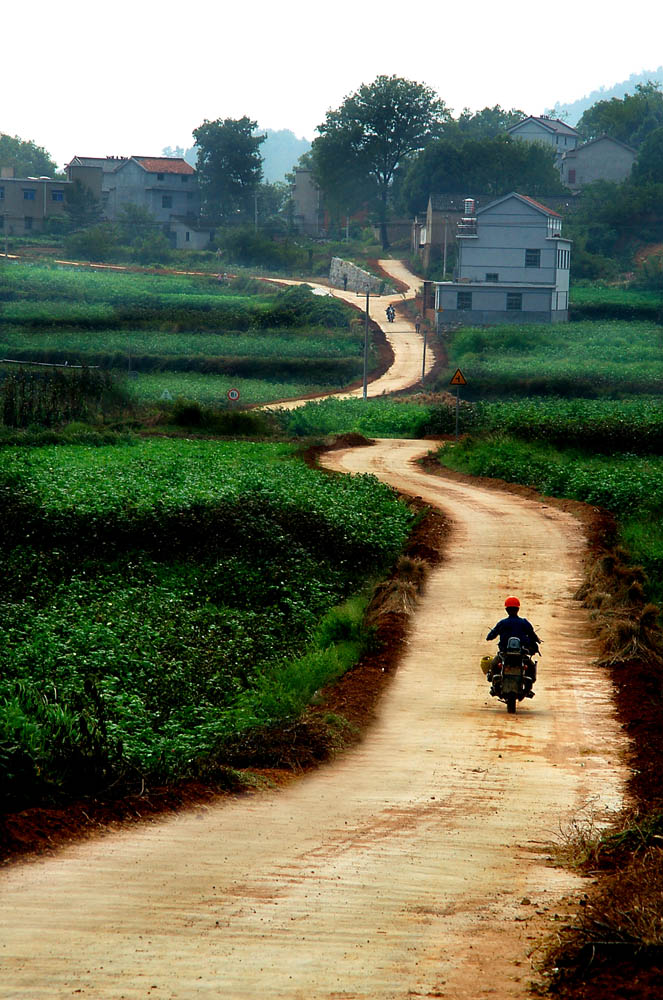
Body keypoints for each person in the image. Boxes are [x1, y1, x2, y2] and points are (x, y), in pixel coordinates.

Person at [486, 597, 540, 695]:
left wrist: (490, 636)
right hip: (521, 655)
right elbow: (532, 635)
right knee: (531, 668)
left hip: (505, 654)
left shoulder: (502, 623)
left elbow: (490, 636)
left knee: (493, 665)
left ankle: (495, 687)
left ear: (506, 610)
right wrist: (537, 641)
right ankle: (527, 690)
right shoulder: (524, 622)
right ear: (518, 609)